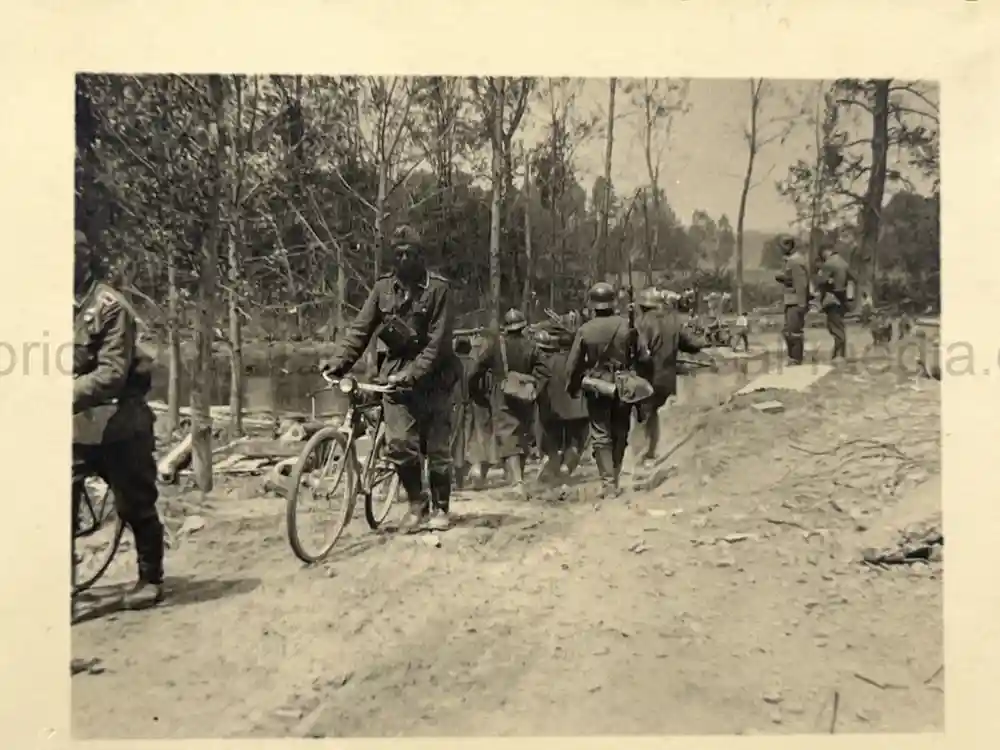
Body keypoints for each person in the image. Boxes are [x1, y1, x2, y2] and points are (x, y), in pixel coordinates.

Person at [320, 225, 457, 532]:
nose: (404, 259)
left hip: (435, 378)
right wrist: (337, 364)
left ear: (421, 256)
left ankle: (441, 507)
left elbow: (438, 344)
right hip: (394, 376)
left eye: (410, 253)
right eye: (398, 254)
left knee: (437, 450)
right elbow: (360, 329)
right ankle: (416, 503)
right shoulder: (382, 289)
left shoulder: (439, 290)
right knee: (398, 445)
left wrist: (412, 373)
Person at [72, 230, 165, 609]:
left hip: (119, 421)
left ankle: (150, 578)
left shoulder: (110, 307)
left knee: (136, 502)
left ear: (83, 260)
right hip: (75, 424)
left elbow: (112, 372)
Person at [468, 309, 550, 500]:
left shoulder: (495, 345)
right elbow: (544, 371)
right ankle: (517, 478)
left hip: (502, 393)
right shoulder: (532, 345)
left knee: (507, 435)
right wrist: (534, 388)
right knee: (521, 434)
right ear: (523, 326)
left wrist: (476, 391)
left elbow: (475, 369)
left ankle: (517, 483)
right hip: (525, 394)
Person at [565, 282, 636, 499]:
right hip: (624, 385)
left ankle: (608, 484)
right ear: (613, 302)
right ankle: (614, 475)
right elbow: (640, 356)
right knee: (620, 431)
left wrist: (573, 386)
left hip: (597, 386)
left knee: (601, 434)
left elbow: (572, 364)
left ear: (592, 305)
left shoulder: (585, 330)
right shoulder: (626, 326)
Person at [634, 287, 703, 468]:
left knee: (642, 415)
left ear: (643, 307)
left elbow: (639, 353)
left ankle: (642, 457)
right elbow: (693, 345)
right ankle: (649, 453)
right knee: (652, 412)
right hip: (667, 381)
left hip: (646, 378)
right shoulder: (673, 322)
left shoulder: (641, 323)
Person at [535, 329, 589, 483]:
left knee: (554, 441)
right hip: (577, 410)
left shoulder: (548, 361)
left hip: (554, 409)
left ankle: (553, 467)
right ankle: (566, 467)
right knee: (575, 442)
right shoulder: (580, 363)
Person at [814, 242, 853, 361]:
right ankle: (839, 353)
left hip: (831, 298)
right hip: (842, 299)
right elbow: (852, 280)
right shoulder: (844, 263)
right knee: (839, 326)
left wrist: (820, 275)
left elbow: (821, 282)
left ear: (825, 252)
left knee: (834, 327)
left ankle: (839, 355)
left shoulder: (829, 264)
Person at [774, 235, 809, 366]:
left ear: (788, 246)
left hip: (795, 301)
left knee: (793, 331)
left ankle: (796, 358)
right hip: (791, 300)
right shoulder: (792, 260)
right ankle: (793, 357)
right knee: (789, 331)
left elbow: (801, 283)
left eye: (782, 246)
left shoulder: (795, 261)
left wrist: (801, 303)